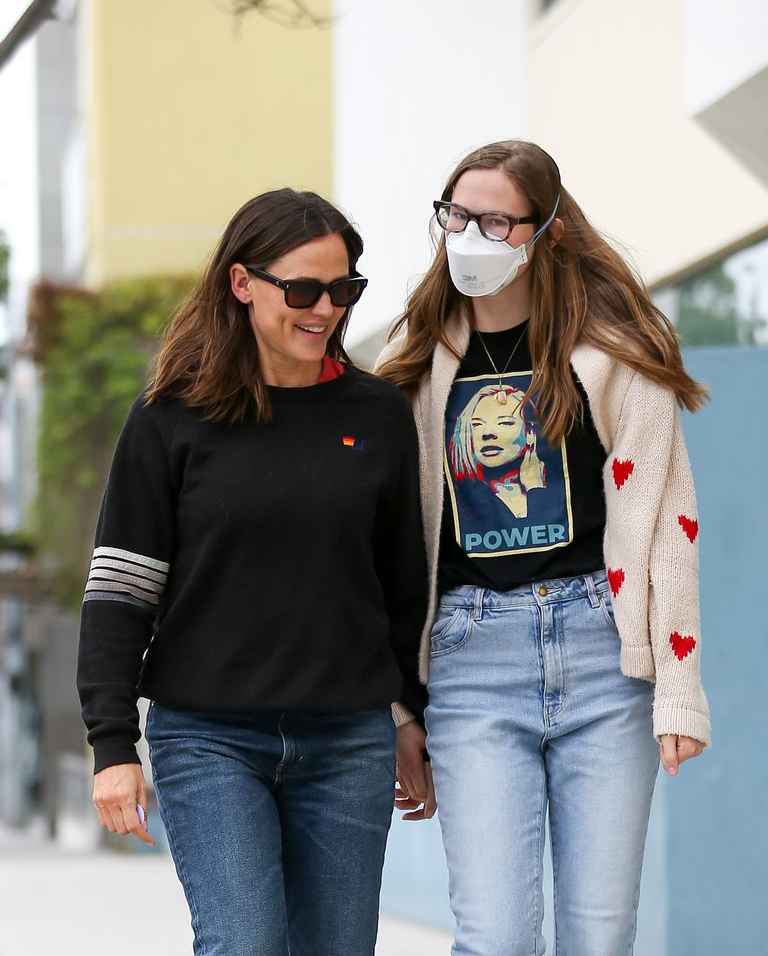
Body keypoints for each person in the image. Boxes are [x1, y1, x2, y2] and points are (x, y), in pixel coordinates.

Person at [377, 140, 710, 955]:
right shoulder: (412, 361)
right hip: (469, 657)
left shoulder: (615, 352)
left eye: (494, 220)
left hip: (604, 652)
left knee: (599, 937)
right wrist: (395, 707)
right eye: (456, 214)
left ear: (546, 233)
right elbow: (383, 545)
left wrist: (680, 688)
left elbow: (670, 522)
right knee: (495, 937)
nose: (468, 236)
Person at [76, 188, 429, 956]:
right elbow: (119, 594)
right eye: (303, 290)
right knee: (245, 944)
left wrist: (408, 713)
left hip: (348, 741)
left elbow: (402, 584)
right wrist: (111, 746)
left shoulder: (376, 415)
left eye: (344, 290)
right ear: (244, 284)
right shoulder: (171, 416)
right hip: (209, 739)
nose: (326, 309)